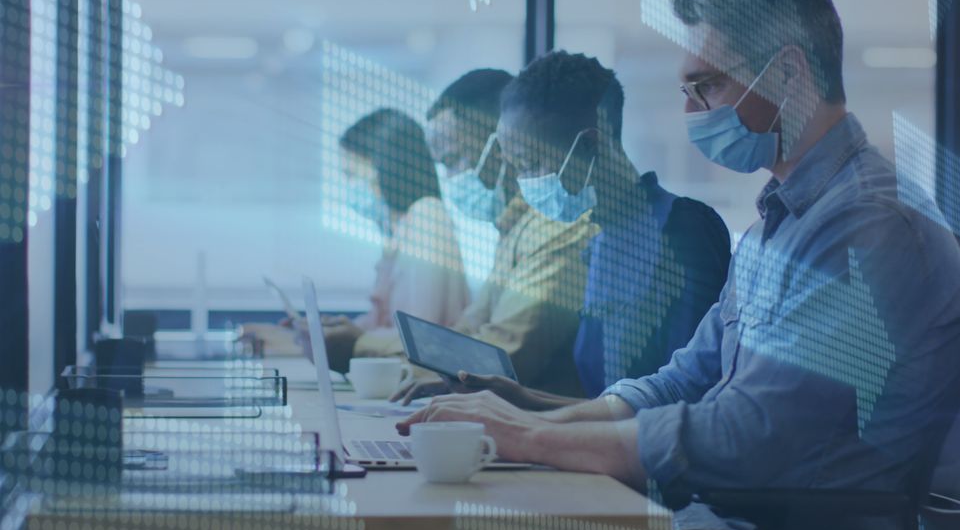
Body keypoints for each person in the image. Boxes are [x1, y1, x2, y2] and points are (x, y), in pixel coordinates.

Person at [397, 0, 960, 524]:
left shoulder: (866, 227)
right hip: (725, 510)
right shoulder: (778, 224)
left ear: (790, 74)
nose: (690, 111)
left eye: (708, 85)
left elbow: (747, 434)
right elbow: (682, 380)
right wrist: (529, 409)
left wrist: (530, 436)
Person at [397, 52, 733, 411]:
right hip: (605, 447)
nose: (523, 183)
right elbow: (605, 403)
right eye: (515, 168)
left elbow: (681, 398)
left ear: (589, 144)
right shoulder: (599, 240)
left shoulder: (682, 230)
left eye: (529, 164)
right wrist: (514, 399)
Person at [362, 69, 595, 397]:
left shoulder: (557, 226)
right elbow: (466, 334)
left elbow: (502, 355)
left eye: (455, 159)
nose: (451, 178)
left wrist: (361, 347)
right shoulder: (513, 227)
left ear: (502, 145)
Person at [242, 109, 470, 373]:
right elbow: (381, 328)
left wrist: (324, 340)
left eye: (351, 175)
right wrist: (303, 338)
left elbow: (418, 337)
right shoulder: (402, 230)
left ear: (384, 167)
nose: (349, 190)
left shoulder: (427, 218)